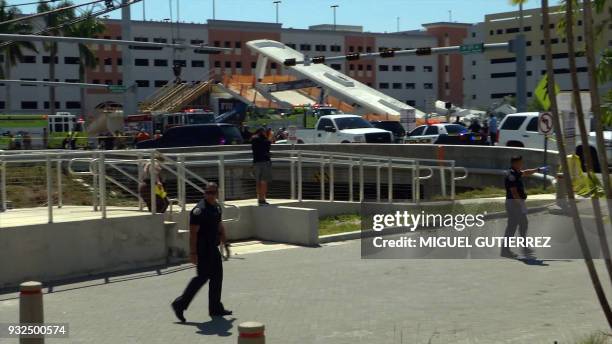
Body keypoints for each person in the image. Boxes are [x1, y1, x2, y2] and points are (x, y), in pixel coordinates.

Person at [171, 182, 232, 322]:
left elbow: (219, 226)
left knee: (217, 278)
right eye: (207, 192)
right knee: (202, 278)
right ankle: (179, 304)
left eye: (212, 192)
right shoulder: (199, 210)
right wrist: (193, 253)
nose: (209, 195)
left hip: (213, 248)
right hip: (202, 250)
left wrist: (225, 243)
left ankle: (215, 308)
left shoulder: (216, 207)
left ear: (217, 194)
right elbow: (193, 234)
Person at [501, 155, 548, 259]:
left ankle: (520, 248)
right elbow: (514, 192)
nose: (522, 164)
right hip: (514, 203)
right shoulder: (511, 174)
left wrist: (538, 169)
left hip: (515, 203)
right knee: (513, 226)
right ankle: (506, 250)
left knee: (522, 224)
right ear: (515, 163)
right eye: (520, 163)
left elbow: (526, 172)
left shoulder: (516, 172)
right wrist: (521, 205)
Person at [251, 127, 272, 206]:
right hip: (265, 162)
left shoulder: (253, 140)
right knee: (263, 181)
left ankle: (259, 198)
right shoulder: (265, 140)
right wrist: (269, 137)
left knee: (258, 182)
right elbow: (267, 148)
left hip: (256, 162)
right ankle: (262, 199)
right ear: (263, 132)